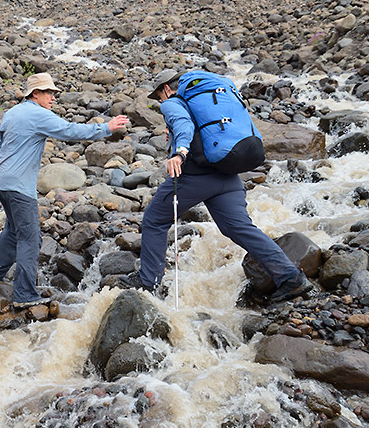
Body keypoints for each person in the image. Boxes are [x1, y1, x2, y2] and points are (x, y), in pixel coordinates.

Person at [128, 69, 313, 303]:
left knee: (155, 219)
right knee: (240, 228)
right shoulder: (206, 102)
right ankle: (291, 277)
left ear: (165, 89)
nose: (160, 102)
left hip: (195, 177)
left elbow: (184, 125)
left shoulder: (173, 102)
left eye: (159, 97)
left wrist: (179, 152)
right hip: (228, 176)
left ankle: (148, 282)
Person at [0, 72, 130, 309]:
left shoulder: (12, 113)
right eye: (49, 92)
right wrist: (106, 128)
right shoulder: (39, 115)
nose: (53, 97)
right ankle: (24, 295)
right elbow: (70, 131)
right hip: (19, 186)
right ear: (35, 94)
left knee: (12, 228)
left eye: (54, 93)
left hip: (0, 181)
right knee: (31, 237)